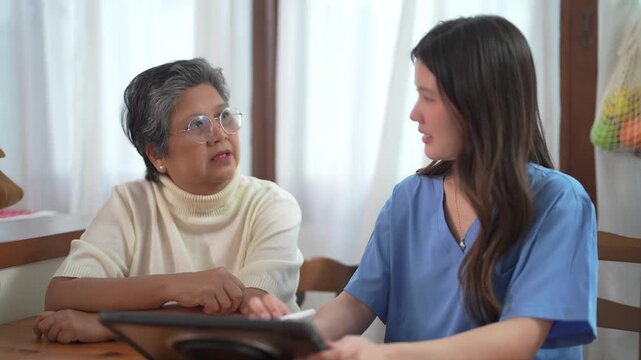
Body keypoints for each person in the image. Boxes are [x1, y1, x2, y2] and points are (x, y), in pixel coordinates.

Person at [248, 15, 597, 359]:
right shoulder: (408, 199)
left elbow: (520, 338)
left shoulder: (558, 203)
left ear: (478, 103)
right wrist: (292, 337)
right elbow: (356, 304)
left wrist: (386, 355)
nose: (415, 113)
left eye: (428, 97)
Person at [33, 58, 303, 344]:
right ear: (157, 155)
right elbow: (61, 294)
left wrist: (112, 326)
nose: (219, 134)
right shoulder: (131, 202)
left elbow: (252, 314)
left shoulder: (273, 205)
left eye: (224, 117)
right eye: (197, 125)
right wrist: (175, 286)